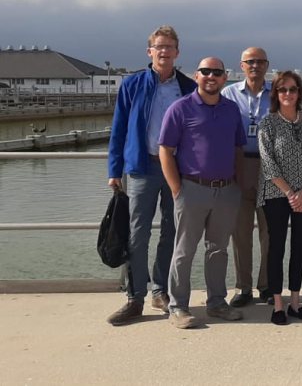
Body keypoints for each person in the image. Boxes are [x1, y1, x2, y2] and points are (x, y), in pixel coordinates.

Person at [106, 25, 196, 326]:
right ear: (150, 51)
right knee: (137, 233)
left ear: (177, 52)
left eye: (170, 46)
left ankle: (161, 291)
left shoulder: (187, 87)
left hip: (176, 168)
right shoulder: (132, 85)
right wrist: (114, 170)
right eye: (159, 46)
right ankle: (135, 297)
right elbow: (118, 129)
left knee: (172, 230)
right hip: (141, 166)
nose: (164, 51)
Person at [159, 57, 246, 329]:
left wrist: (238, 184)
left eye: (217, 72)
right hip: (192, 189)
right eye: (205, 71)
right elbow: (165, 150)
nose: (211, 76)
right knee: (184, 251)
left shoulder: (231, 110)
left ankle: (217, 303)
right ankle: (178, 307)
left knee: (218, 250)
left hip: (226, 190)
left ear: (224, 78)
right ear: (196, 76)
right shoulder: (180, 109)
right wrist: (176, 188)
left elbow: (238, 149)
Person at [257, 71, 302, 325]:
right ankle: (277, 304)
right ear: (276, 93)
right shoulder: (268, 124)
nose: (288, 94)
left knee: (299, 248)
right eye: (283, 89)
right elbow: (268, 163)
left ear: (299, 93)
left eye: (293, 89)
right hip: (276, 195)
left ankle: (296, 302)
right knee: (277, 248)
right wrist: (289, 193)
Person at [221, 47, 272, 308]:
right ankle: (243, 287)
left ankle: (267, 286)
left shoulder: (278, 93)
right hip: (239, 165)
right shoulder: (228, 94)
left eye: (260, 62)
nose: (255, 66)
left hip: (271, 168)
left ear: (267, 65)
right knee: (240, 232)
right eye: (250, 62)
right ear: (241, 65)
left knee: (269, 232)